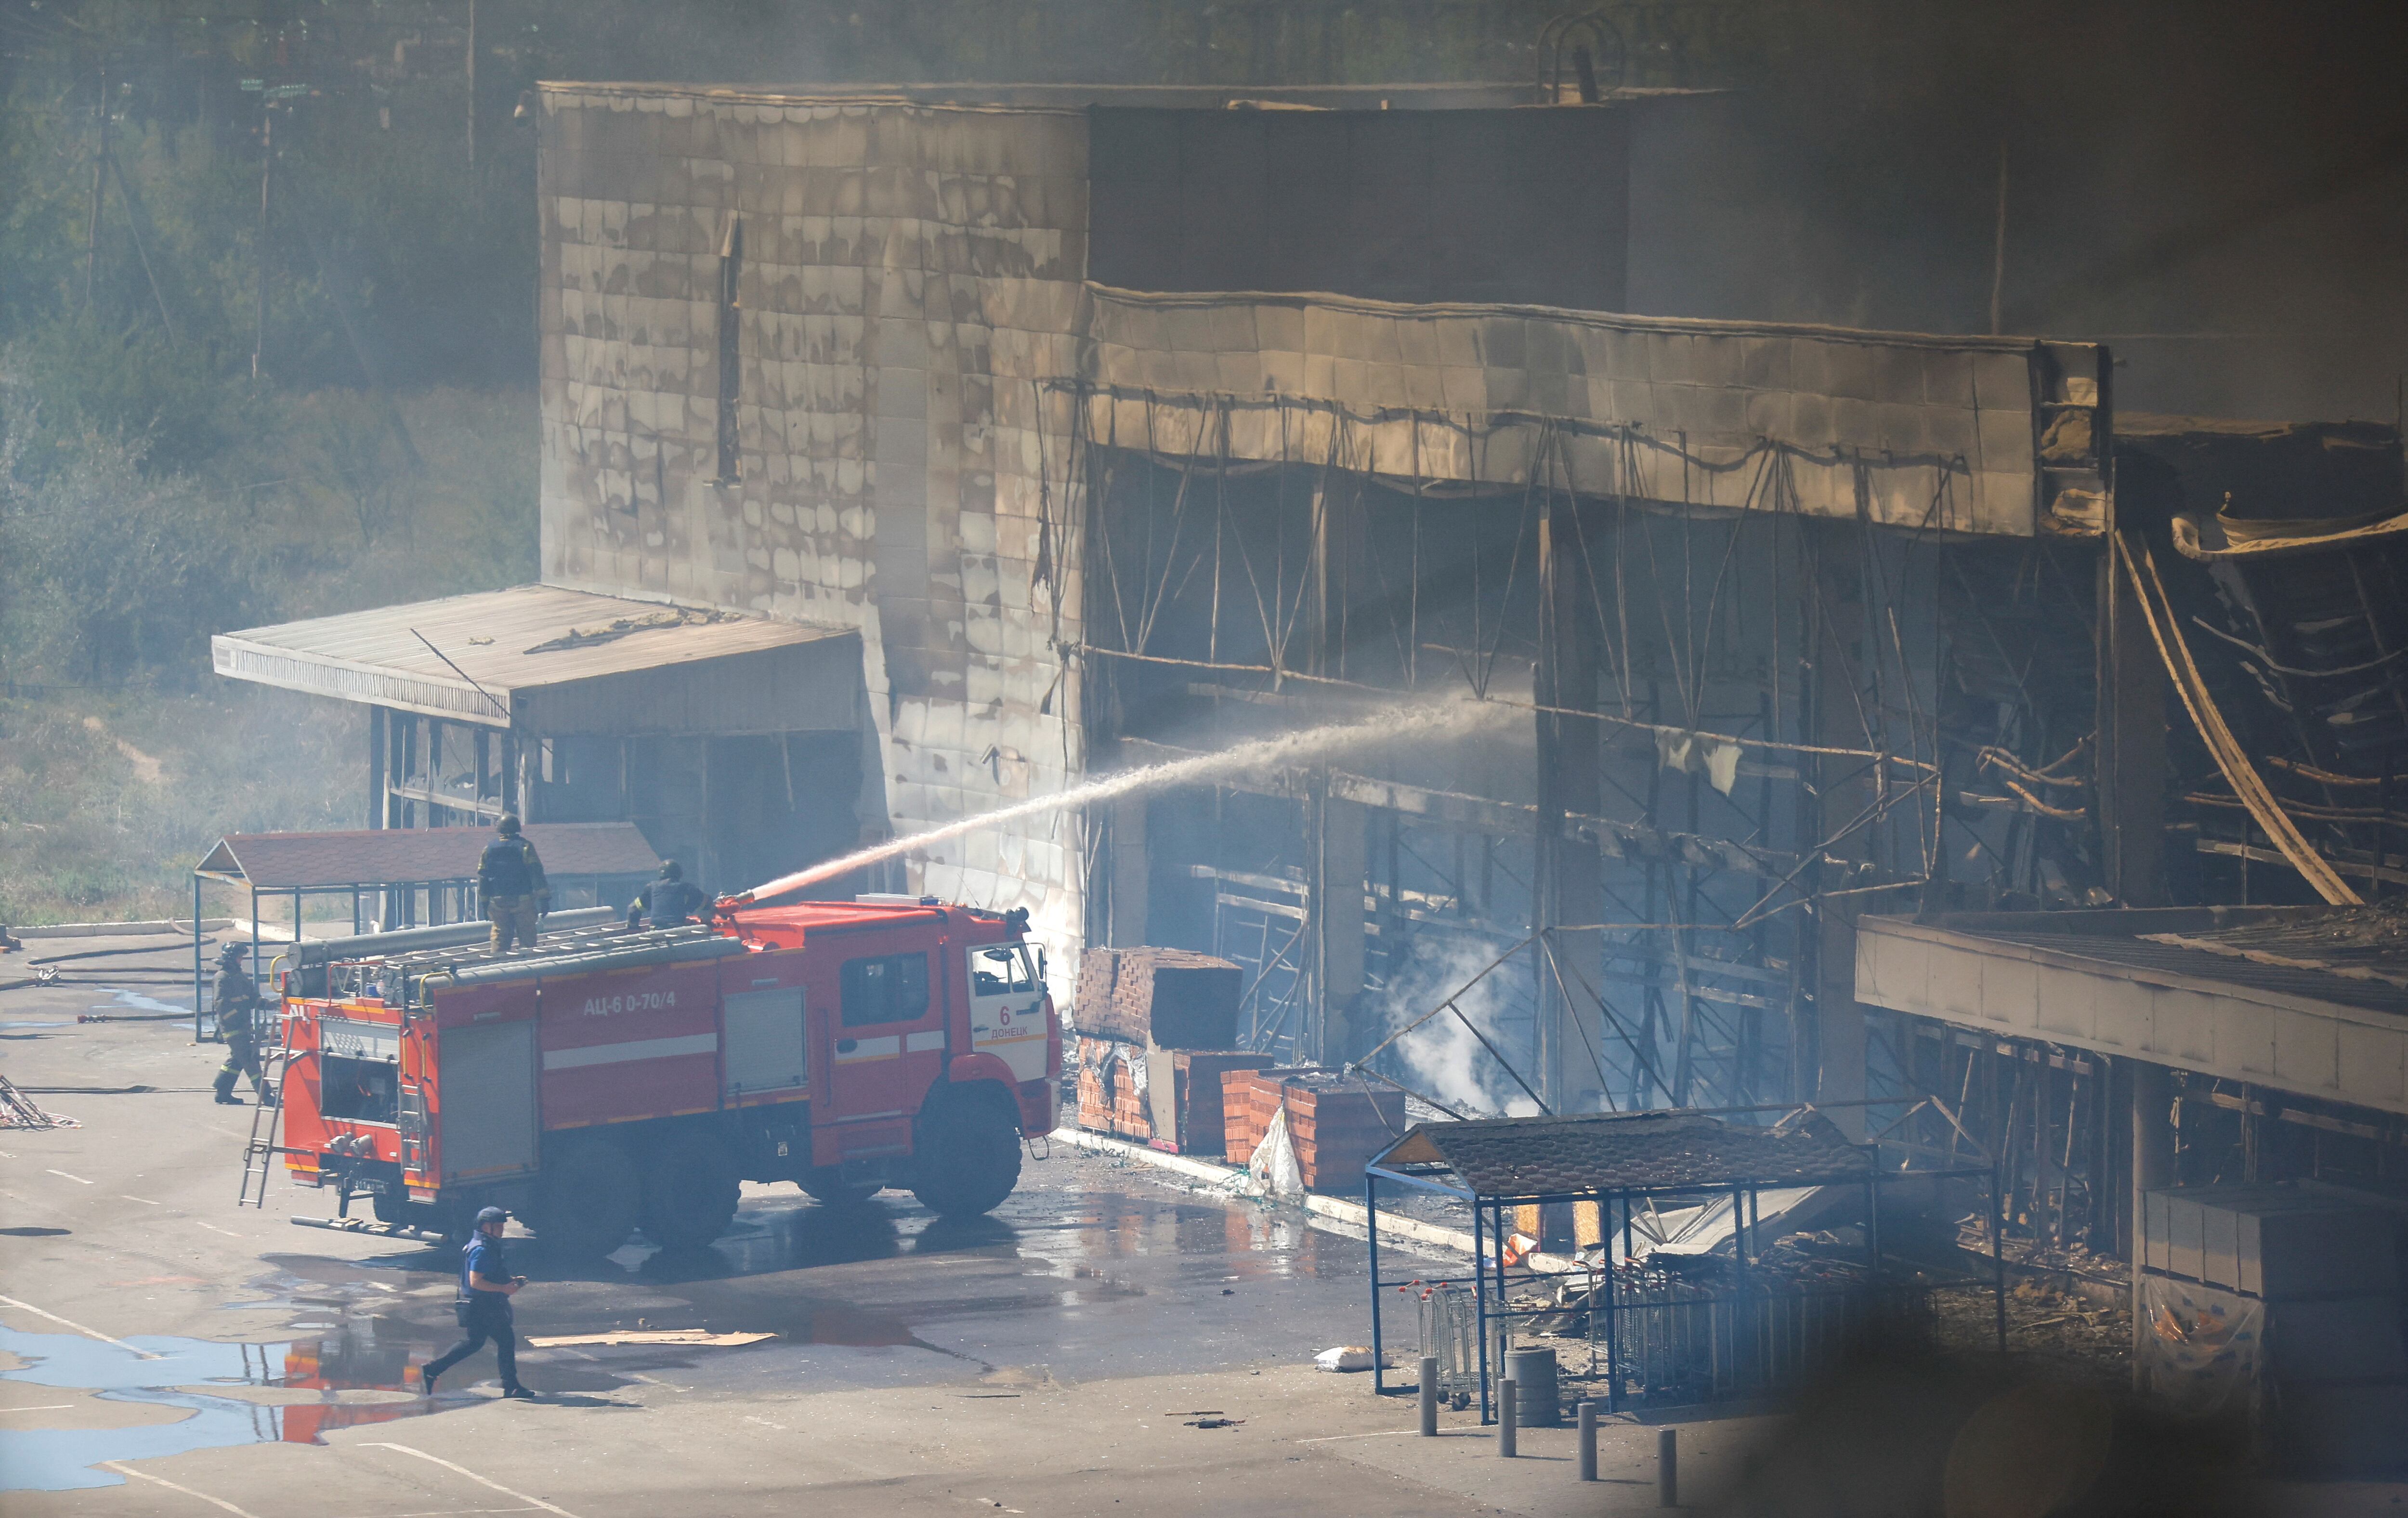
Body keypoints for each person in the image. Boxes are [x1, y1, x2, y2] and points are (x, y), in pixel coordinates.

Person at [417, 1206, 534, 1399]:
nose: (502, 1230)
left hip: (477, 1305)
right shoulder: (482, 1250)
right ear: (486, 1227)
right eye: (498, 1226)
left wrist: (509, 1281)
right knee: (505, 1340)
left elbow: (487, 1275)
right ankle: (511, 1386)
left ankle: (433, 1369)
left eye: (502, 1226)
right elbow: (476, 1281)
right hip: (483, 1306)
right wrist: (504, 1289)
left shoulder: (481, 1244)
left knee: (475, 1343)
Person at [210, 941, 275, 1107]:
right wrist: (237, 1020)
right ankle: (266, 1096)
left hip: (244, 1027)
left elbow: (252, 998)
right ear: (232, 958)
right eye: (239, 958)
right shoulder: (222, 978)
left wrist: (268, 1004)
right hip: (233, 1029)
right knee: (250, 1060)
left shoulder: (240, 977)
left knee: (237, 1060)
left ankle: (223, 1092)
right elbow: (221, 1004)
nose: (241, 961)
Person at [477, 814, 550, 954]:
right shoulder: (525, 847)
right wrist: (544, 899)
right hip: (523, 901)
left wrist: (484, 903)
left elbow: (483, 878)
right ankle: (527, 970)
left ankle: (497, 968)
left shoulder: (488, 849)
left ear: (499, 829)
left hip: (498, 903)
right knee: (527, 937)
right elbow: (537, 874)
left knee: (500, 937)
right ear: (517, 828)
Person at [624, 859, 709, 929]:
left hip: (656, 934)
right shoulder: (686, 888)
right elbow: (707, 903)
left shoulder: (651, 888)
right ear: (679, 874)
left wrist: (633, 927)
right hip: (679, 932)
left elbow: (633, 909)